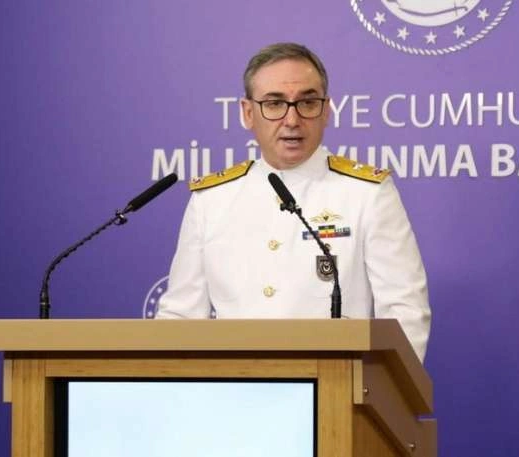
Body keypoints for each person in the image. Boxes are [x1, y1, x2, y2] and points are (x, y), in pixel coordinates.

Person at [156, 42, 431, 361]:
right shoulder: (212, 200)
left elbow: (404, 313)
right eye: (274, 104)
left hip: (336, 387)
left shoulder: (367, 193)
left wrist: (371, 390)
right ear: (248, 113)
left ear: (326, 110)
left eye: (307, 103)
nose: (292, 119)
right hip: (234, 386)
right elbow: (180, 317)